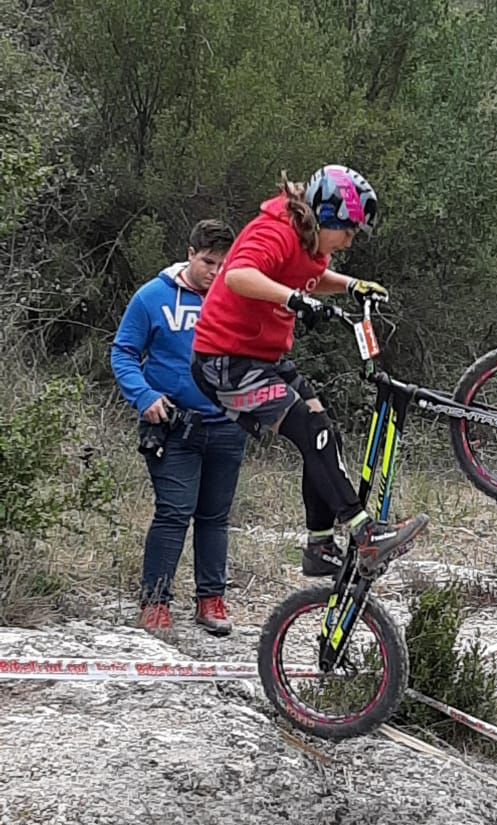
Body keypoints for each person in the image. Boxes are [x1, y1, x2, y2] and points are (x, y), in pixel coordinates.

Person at [192, 165, 428, 579]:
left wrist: (351, 285)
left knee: (325, 431)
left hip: (261, 358)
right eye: (349, 231)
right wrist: (294, 301)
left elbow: (309, 276)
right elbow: (239, 275)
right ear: (327, 215)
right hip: (225, 361)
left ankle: (319, 546)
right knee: (310, 429)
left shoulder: (308, 242)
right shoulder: (276, 231)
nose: (350, 241)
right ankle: (364, 532)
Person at [111, 220, 247, 638]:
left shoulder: (239, 299)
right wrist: (144, 396)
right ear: (190, 254)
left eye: (223, 265)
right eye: (208, 262)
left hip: (228, 425)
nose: (214, 272)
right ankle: (155, 603)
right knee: (174, 512)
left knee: (215, 517)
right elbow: (124, 353)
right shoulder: (152, 297)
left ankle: (211, 600)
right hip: (173, 425)